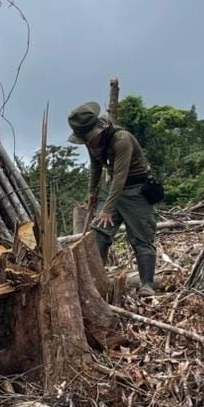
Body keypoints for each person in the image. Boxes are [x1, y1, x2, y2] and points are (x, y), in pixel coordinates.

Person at [68, 101, 157, 296]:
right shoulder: (91, 142)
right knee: (99, 232)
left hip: (136, 189)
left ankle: (147, 285)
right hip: (112, 189)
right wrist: (92, 192)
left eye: (90, 139)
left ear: (97, 130)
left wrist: (108, 209)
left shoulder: (121, 140)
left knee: (142, 237)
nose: (89, 144)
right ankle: (95, 283)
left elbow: (120, 176)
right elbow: (95, 167)